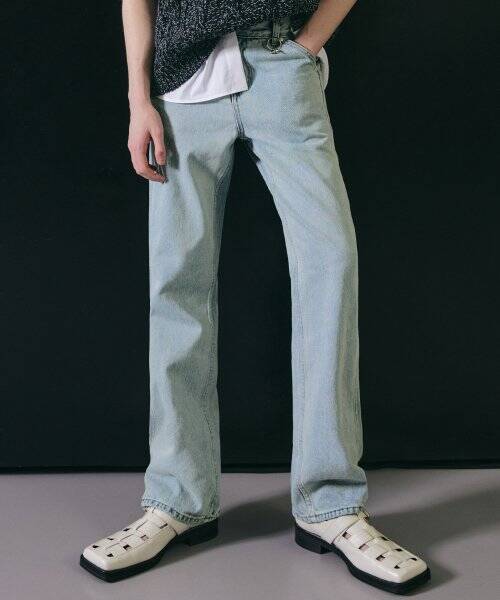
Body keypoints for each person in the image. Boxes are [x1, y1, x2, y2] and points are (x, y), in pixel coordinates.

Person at [80, 0, 430, 593]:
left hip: (280, 63)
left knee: (330, 265)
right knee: (177, 284)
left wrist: (307, 44)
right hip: (182, 80)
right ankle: (177, 499)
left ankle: (331, 504)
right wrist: (139, 100)